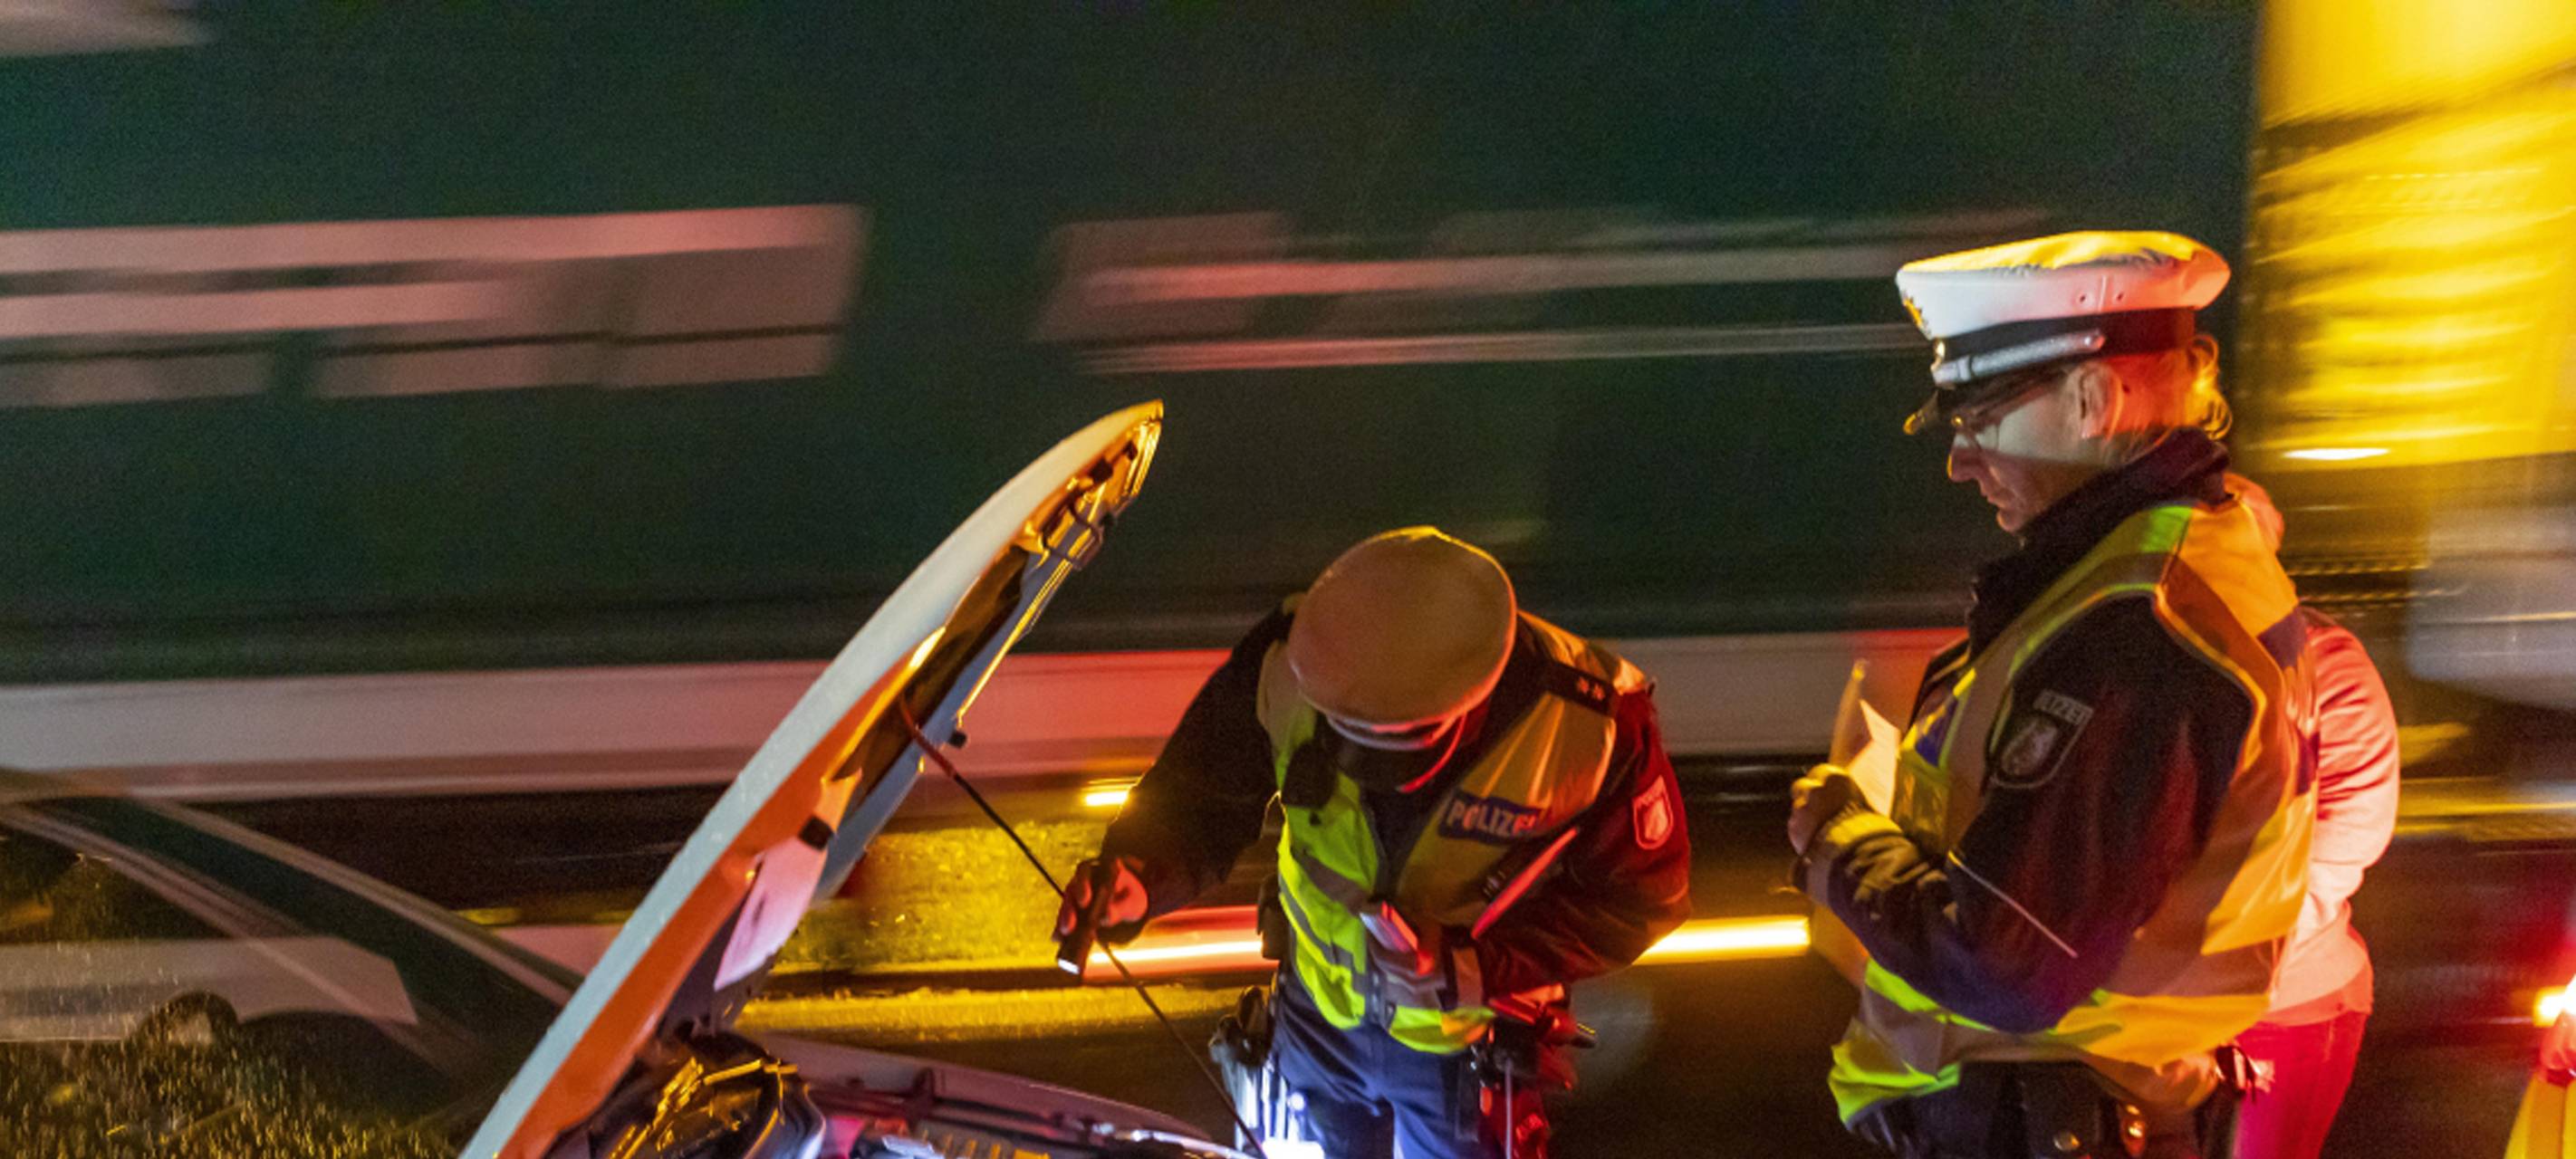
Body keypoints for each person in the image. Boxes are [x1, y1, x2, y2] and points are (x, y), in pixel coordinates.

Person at [1786, 231, 2315, 1158]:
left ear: (2091, 399)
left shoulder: (2138, 627)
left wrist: (1838, 837)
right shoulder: (2172, 566)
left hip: (2044, 1119)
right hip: (2065, 1108)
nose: (1959, 457)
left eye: (1979, 414)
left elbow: (2007, 962)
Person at [1057, 526, 1691, 1158]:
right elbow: (1201, 792)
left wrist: (1469, 968)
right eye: (1350, 735)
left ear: (1471, 705)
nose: (1371, 771)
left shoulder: (1592, 724)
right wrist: (1142, 874)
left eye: (1400, 746)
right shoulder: (1293, 656)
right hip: (1315, 1023)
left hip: (1464, 1048)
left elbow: (1640, 899)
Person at [2229, 477, 2402, 1159]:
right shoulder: (2156, 654)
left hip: (2283, 1006)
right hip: (2162, 1004)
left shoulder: (2326, 665)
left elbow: (2346, 837)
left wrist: (2212, 959)